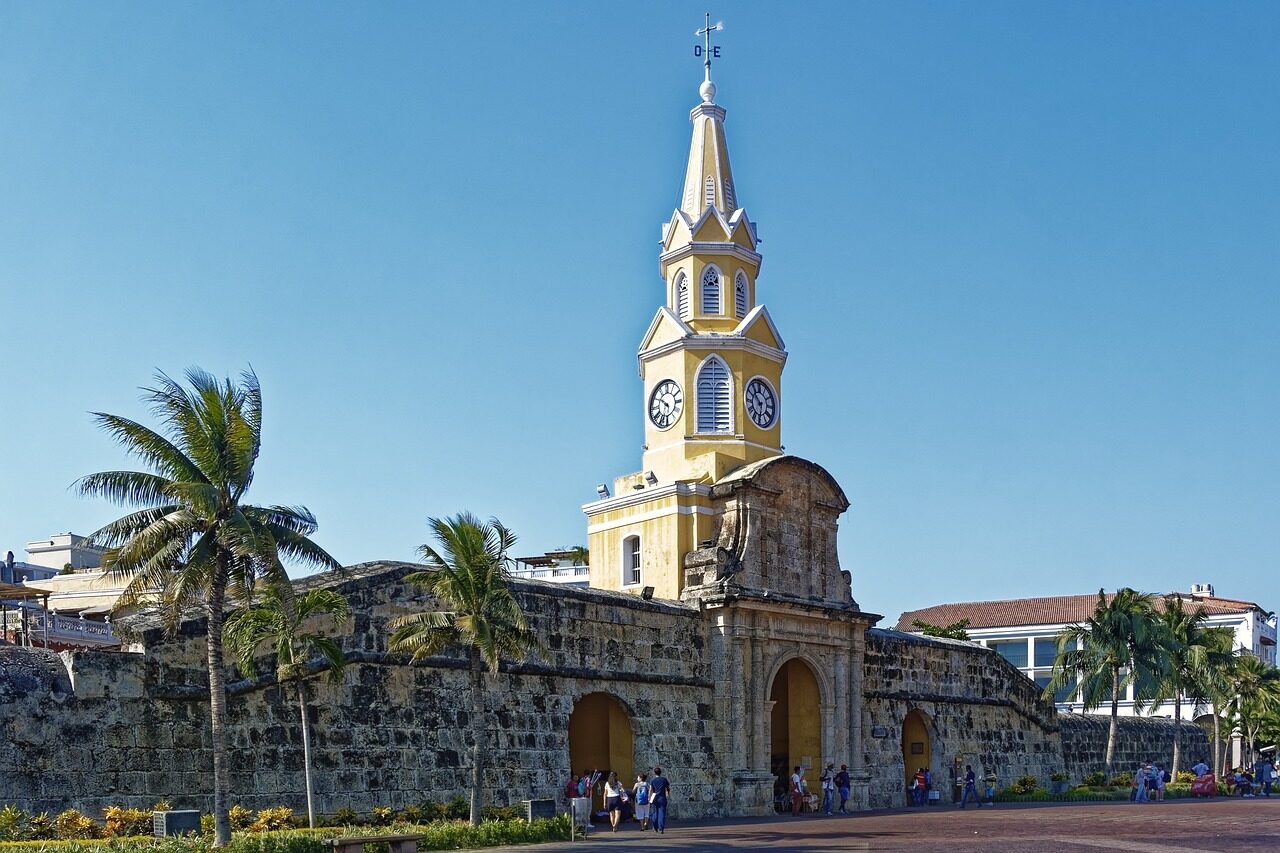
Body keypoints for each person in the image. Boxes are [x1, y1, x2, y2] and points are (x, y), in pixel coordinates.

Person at [649, 766, 670, 834]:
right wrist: (668, 794)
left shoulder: (652, 780)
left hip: (654, 797)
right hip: (662, 797)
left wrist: (649, 797)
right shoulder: (664, 779)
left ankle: (655, 827)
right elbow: (667, 788)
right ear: (660, 772)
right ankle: (661, 828)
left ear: (654, 773)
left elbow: (650, 790)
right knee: (662, 813)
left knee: (654, 813)